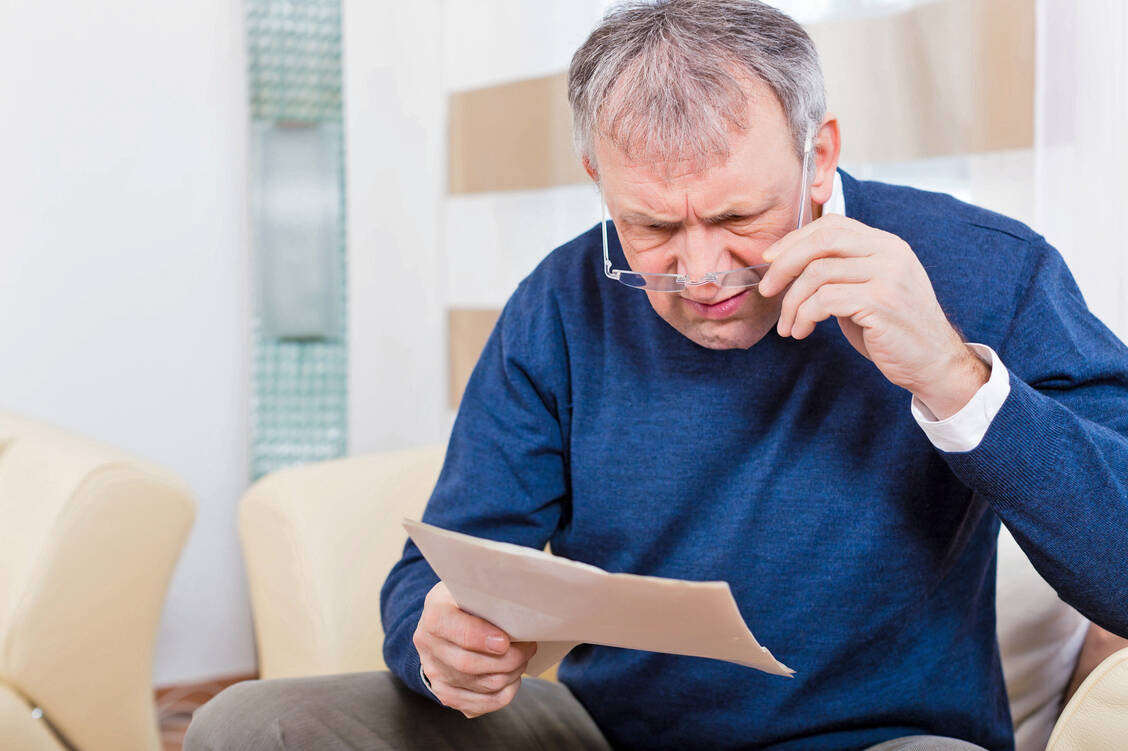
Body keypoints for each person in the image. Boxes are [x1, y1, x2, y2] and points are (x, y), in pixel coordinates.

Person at [185, 1, 1128, 749]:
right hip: (606, 730)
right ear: (597, 175)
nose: (703, 269)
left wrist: (956, 381)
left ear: (820, 156)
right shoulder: (559, 301)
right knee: (254, 723)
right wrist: (434, 641)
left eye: (741, 217)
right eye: (654, 229)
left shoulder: (985, 268)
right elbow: (442, 560)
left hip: (883, 736)